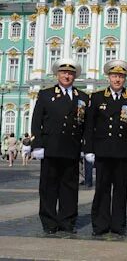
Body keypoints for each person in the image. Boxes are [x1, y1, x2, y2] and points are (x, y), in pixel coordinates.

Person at [83, 60, 127, 236]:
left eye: (121, 76)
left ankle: (118, 225)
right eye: (114, 76)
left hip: (123, 151)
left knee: (120, 190)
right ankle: (100, 225)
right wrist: (89, 149)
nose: (117, 79)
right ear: (108, 77)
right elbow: (89, 125)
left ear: (125, 79)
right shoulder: (98, 97)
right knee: (102, 188)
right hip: (102, 150)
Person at [30, 59, 88, 234]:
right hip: (51, 147)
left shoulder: (82, 97)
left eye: (70, 73)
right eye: (63, 72)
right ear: (57, 75)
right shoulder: (46, 94)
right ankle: (49, 222)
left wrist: (85, 146)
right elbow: (36, 120)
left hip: (72, 148)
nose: (67, 75)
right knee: (49, 187)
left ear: (75, 76)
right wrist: (37, 144)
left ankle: (67, 221)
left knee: (70, 187)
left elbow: (84, 124)